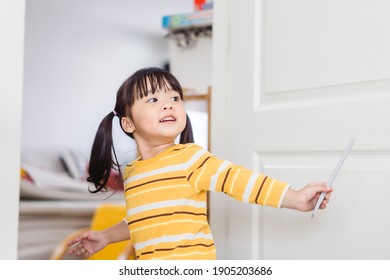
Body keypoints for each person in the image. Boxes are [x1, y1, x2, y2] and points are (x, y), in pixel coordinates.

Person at [67, 67, 333, 260]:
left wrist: (294, 197)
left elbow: (240, 180)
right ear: (128, 123)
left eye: (174, 98)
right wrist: (105, 237)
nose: (169, 105)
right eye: (153, 99)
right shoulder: (134, 173)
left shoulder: (190, 158)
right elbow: (142, 220)